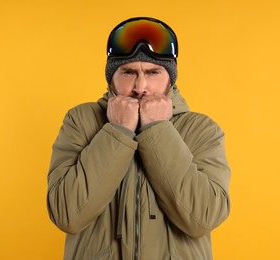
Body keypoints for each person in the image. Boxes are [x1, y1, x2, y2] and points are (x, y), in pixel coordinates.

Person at [47, 17, 231, 260]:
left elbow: (202, 218)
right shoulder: (81, 120)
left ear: (170, 78)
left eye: (153, 72)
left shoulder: (201, 129)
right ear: (111, 77)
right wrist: (118, 131)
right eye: (128, 72)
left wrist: (156, 128)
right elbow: (67, 215)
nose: (140, 86)